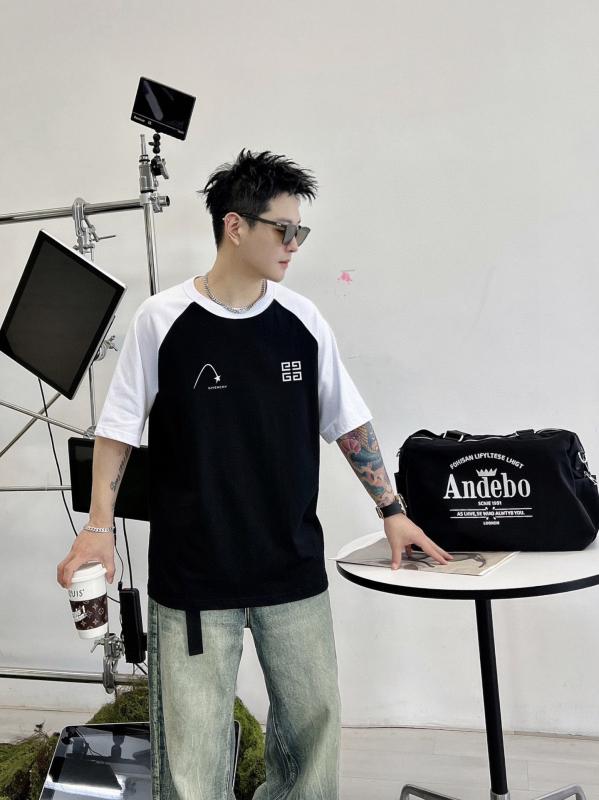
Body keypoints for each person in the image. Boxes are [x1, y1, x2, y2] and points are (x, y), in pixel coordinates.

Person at [57, 148, 452, 800]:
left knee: (313, 735)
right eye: (283, 229)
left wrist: (393, 510)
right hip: (192, 577)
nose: (294, 243)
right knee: (193, 759)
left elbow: (349, 424)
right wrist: (98, 528)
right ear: (235, 227)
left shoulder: (302, 321)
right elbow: (118, 430)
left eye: (301, 231)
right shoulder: (161, 320)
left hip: (290, 568)